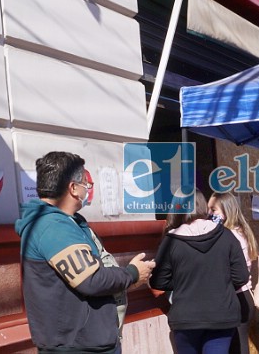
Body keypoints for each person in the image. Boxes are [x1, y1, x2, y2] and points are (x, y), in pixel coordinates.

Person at [15, 151, 155, 353]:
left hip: (87, 342)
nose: (87, 190)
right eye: (85, 185)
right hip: (76, 347)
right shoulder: (53, 227)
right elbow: (91, 279)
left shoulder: (68, 223)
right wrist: (132, 274)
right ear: (73, 188)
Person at [150, 188, 250, 354]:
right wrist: (218, 281)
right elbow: (241, 276)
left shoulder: (171, 241)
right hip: (221, 315)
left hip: (186, 318)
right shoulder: (227, 236)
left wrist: (184, 281)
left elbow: (158, 281)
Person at [208, 192, 259, 354]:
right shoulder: (239, 232)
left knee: (237, 346)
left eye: (213, 210)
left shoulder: (231, 236)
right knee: (239, 344)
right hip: (243, 296)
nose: (209, 214)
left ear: (226, 211)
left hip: (237, 297)